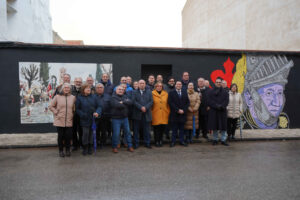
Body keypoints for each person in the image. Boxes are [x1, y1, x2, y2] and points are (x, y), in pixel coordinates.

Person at [49, 83, 76, 157]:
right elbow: (51, 106)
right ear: (62, 89)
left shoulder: (73, 97)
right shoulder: (57, 97)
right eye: (65, 88)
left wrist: (72, 115)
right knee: (60, 136)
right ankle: (61, 151)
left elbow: (74, 108)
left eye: (68, 88)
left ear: (70, 89)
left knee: (68, 136)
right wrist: (56, 112)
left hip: (69, 120)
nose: (67, 89)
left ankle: (67, 150)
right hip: (59, 120)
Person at [76, 84, 102, 155]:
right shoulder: (79, 98)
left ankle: (90, 147)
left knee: (92, 134)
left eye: (89, 88)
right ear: (83, 90)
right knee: (85, 134)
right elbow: (77, 109)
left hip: (93, 119)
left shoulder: (94, 97)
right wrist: (82, 114)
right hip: (84, 119)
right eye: (87, 88)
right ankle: (85, 147)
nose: (89, 89)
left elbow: (99, 106)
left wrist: (97, 112)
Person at [110, 85, 134, 153]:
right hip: (116, 119)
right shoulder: (113, 97)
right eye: (119, 89)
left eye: (122, 90)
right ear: (116, 90)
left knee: (128, 133)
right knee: (116, 134)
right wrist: (125, 103)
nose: (121, 90)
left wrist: (122, 102)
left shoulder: (125, 96)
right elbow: (117, 105)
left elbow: (130, 102)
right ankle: (114, 147)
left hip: (125, 118)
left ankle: (130, 146)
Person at [207, 78, 229, 146]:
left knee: (223, 126)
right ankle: (215, 139)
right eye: (217, 82)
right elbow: (209, 101)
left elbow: (227, 101)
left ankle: (223, 140)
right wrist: (216, 106)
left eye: (220, 82)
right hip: (214, 111)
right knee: (215, 126)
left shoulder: (225, 92)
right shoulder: (210, 91)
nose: (218, 83)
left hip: (222, 111)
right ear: (215, 83)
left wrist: (221, 106)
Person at [132, 79, 153, 149]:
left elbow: (151, 101)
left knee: (147, 130)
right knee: (136, 130)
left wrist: (145, 108)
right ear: (138, 84)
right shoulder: (134, 92)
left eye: (143, 83)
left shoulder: (149, 92)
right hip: (137, 114)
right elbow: (134, 101)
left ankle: (147, 143)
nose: (142, 84)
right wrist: (141, 107)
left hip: (146, 114)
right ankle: (136, 143)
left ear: (145, 84)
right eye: (140, 83)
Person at [168, 81, 190, 147]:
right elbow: (170, 103)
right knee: (174, 129)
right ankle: (173, 141)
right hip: (174, 114)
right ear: (175, 85)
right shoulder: (171, 93)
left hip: (183, 114)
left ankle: (181, 141)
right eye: (177, 84)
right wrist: (178, 110)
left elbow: (187, 102)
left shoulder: (185, 92)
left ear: (181, 85)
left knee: (182, 129)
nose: (179, 85)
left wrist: (183, 110)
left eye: (180, 84)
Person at [151, 82, 170, 147]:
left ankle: (160, 141)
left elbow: (168, 104)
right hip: (155, 114)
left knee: (162, 129)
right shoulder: (152, 93)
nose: (159, 87)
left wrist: (167, 111)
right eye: (158, 86)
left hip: (164, 114)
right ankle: (156, 141)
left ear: (162, 87)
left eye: (160, 86)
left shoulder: (166, 94)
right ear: (155, 87)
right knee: (156, 129)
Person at [94, 83, 111, 147]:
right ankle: (97, 142)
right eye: (98, 87)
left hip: (105, 117)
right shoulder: (93, 96)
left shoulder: (108, 96)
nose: (99, 89)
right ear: (96, 89)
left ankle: (103, 142)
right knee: (97, 130)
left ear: (103, 89)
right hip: (96, 117)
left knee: (104, 131)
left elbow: (110, 106)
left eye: (101, 87)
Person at [71, 77, 83, 151]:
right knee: (73, 130)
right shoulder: (70, 90)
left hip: (81, 113)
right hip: (73, 114)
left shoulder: (83, 90)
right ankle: (75, 145)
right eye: (77, 82)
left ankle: (82, 144)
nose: (78, 83)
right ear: (74, 82)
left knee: (81, 130)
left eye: (79, 82)